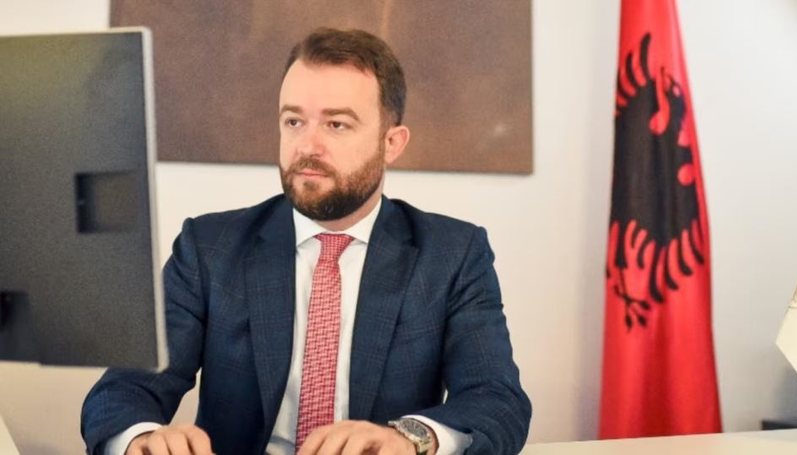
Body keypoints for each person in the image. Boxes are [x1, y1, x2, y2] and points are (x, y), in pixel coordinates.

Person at [81, 28, 531, 455]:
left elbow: (497, 400)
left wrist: (410, 438)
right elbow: (123, 391)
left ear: (392, 142)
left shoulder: (452, 255)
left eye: (337, 125)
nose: (308, 145)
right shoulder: (208, 248)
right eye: (294, 121)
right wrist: (141, 440)